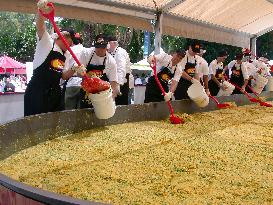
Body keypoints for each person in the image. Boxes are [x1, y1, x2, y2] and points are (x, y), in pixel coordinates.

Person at [24, 1, 80, 116]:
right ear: (63, 36)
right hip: (38, 92)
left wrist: (74, 69)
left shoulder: (65, 55)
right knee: (35, 126)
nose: (71, 45)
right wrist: (41, 12)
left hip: (55, 93)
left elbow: (63, 76)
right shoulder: (47, 42)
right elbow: (40, 27)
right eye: (71, 41)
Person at [76, 33, 119, 108]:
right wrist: (80, 72)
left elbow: (113, 82)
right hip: (86, 92)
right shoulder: (86, 53)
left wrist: (112, 99)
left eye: (103, 47)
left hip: (102, 94)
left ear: (107, 47)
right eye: (98, 47)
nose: (100, 50)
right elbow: (79, 74)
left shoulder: (111, 61)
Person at [108, 36, 131, 105]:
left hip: (122, 81)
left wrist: (117, 85)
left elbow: (121, 70)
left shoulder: (120, 52)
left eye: (108, 43)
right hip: (113, 79)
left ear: (114, 43)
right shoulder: (110, 53)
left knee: (121, 103)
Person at [64, 33, 84, 110]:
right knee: (81, 112)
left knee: (68, 112)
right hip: (83, 83)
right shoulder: (86, 50)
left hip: (71, 83)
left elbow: (65, 70)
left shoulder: (68, 51)